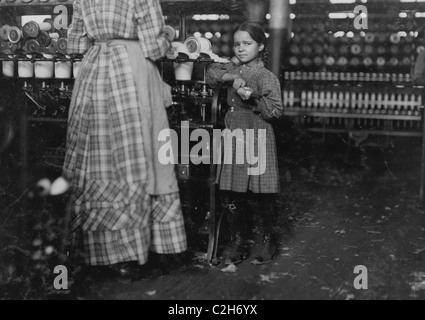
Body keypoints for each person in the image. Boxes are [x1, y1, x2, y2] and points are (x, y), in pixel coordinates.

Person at [63, 0, 187, 277]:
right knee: (138, 154)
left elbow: (75, 45)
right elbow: (154, 47)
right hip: (131, 70)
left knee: (94, 154)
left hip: (93, 69)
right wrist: (167, 34)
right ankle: (131, 253)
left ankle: (93, 250)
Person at [206, 22, 283, 265]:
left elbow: (275, 111)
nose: (241, 48)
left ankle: (267, 240)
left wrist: (255, 99)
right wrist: (232, 78)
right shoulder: (231, 68)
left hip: (258, 133)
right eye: (237, 44)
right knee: (232, 192)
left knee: (262, 194)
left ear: (260, 46)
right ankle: (238, 241)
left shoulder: (266, 76)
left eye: (247, 44)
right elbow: (211, 74)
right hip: (235, 135)